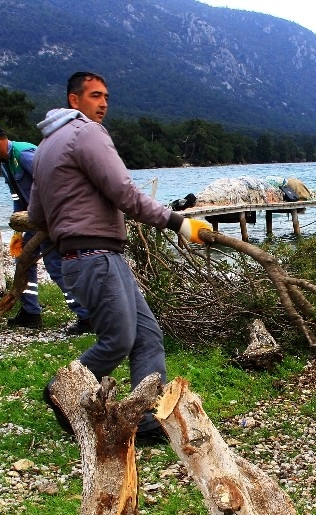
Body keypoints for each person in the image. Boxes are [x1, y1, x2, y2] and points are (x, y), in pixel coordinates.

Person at [26, 71, 212, 442]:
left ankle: (145, 422)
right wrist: (179, 223)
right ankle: (64, 391)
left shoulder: (45, 146)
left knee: (146, 337)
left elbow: (36, 216)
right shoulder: (86, 133)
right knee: (119, 339)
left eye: (106, 96)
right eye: (95, 95)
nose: (104, 103)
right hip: (96, 257)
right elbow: (125, 193)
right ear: (74, 101)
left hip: (86, 259)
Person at [0, 121, 93, 335]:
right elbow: (18, 198)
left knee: (56, 266)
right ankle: (31, 312)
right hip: (33, 221)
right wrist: (18, 231)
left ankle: (87, 317)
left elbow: (56, 182)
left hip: (52, 220)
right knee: (23, 259)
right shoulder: (5, 164)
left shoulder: (24, 154)